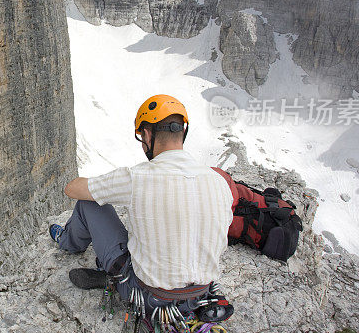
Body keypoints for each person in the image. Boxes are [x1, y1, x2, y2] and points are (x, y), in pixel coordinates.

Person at [49, 94, 234, 316]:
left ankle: (69, 243)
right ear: (183, 132)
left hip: (150, 297)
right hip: (202, 296)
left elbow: (72, 189)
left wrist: (105, 189)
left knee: (90, 204)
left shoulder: (138, 177)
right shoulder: (218, 181)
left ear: (147, 134)